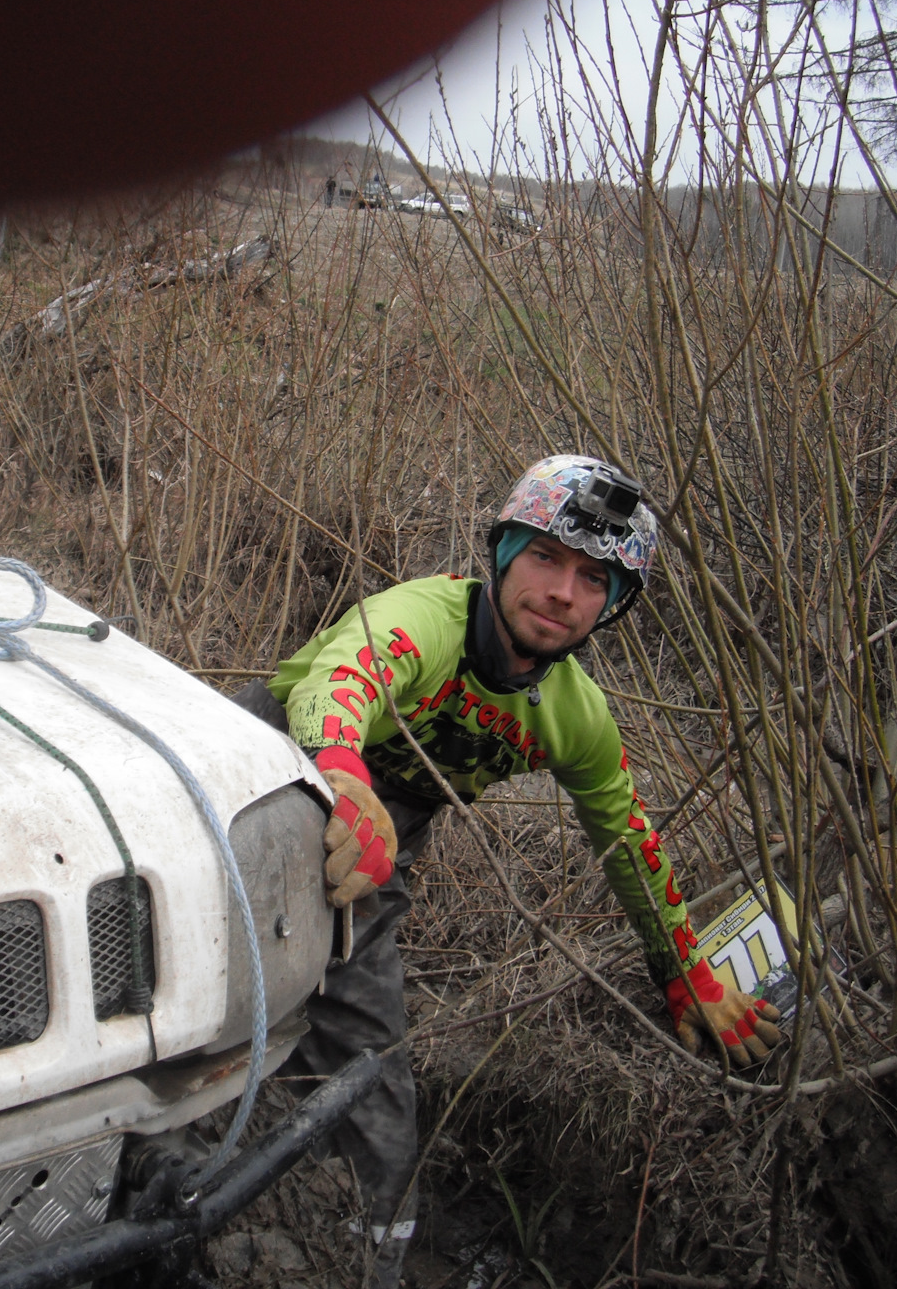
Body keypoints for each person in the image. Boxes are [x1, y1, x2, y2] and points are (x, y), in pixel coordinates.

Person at [233, 455, 783, 1287]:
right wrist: (343, 776)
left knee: (373, 1077)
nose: (562, 592)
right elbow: (340, 680)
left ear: (615, 606)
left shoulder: (575, 717)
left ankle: (361, 1258)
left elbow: (628, 840)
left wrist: (686, 969)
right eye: (545, 558)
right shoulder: (422, 617)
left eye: (594, 579)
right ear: (499, 554)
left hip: (378, 856)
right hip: (253, 777)